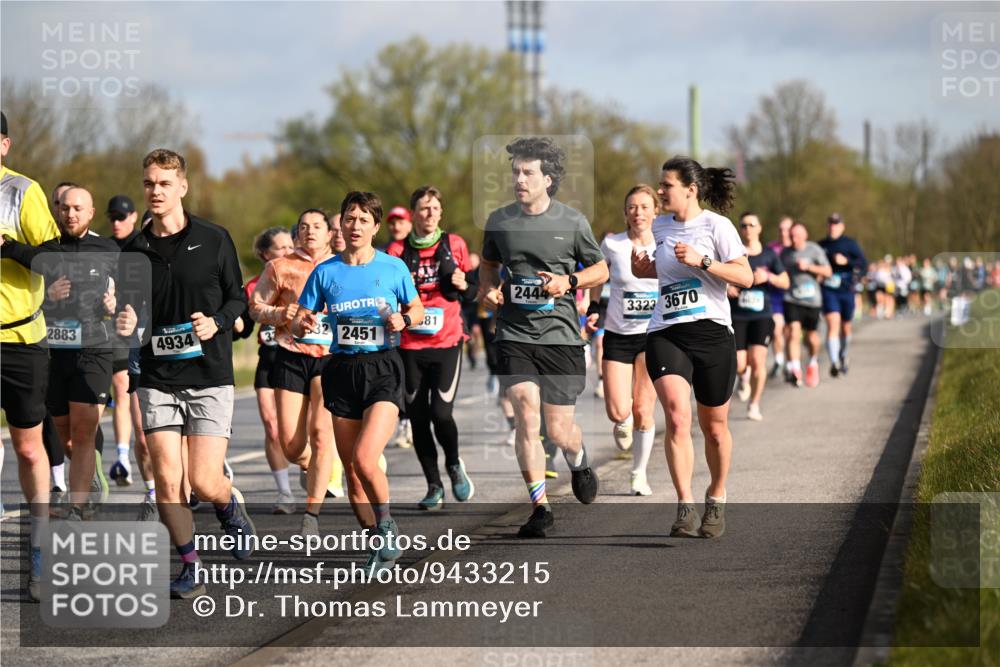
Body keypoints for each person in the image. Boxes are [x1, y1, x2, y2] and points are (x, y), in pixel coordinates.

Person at [115, 148, 255, 599]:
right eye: (149, 184)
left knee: (203, 481)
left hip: (209, 374)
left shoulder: (215, 239)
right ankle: (189, 564)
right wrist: (120, 321)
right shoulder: (133, 250)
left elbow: (238, 300)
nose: (155, 191)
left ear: (182, 187)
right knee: (167, 482)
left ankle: (228, 503)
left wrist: (216, 321)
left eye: (163, 183)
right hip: (157, 377)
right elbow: (128, 314)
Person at [478, 136, 608, 539]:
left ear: (547, 179)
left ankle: (579, 457)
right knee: (525, 415)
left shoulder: (572, 222)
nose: (519, 178)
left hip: (562, 338)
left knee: (558, 431)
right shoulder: (499, 221)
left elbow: (600, 270)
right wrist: (488, 291)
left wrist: (568, 281)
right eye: (515, 171)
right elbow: (487, 265)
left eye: (528, 172)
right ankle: (540, 507)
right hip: (515, 334)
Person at [293, 190, 423, 573]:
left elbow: (414, 307)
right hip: (342, 371)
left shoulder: (392, 268)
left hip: (382, 369)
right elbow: (304, 315)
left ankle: (387, 527)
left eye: (363, 220)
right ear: (341, 224)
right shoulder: (326, 271)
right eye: (349, 219)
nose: (355, 226)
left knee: (367, 459)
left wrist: (405, 320)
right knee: (350, 469)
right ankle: (375, 542)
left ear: (375, 226)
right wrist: (303, 322)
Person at [631, 156, 752, 538]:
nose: (661, 191)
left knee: (714, 428)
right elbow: (660, 269)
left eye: (666, 185)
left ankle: (716, 497)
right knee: (677, 417)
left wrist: (705, 261)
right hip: (666, 331)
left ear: (691, 189)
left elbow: (744, 276)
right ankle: (684, 506)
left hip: (713, 332)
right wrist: (641, 268)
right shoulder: (660, 225)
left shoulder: (717, 226)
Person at [0, 110, 61, 600]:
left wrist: (7, 249)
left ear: (5, 144)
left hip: (20, 338)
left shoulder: (23, 191)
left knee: (27, 447)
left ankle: (40, 548)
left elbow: (54, 258)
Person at [250, 209, 340, 535]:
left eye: (318, 226)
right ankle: (315, 464)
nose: (310, 231)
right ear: (297, 233)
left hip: (331, 357)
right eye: (304, 227)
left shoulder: (344, 265)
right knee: (289, 444)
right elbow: (255, 307)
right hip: (290, 355)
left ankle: (311, 515)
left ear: (330, 233)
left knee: (321, 432)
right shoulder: (280, 266)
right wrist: (280, 313)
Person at [32, 186, 120, 520]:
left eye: (78, 209)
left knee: (84, 431)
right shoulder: (44, 253)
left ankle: (76, 507)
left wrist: (116, 304)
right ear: (58, 211)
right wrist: (47, 295)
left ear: (91, 212)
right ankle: (89, 473)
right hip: (54, 352)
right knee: (64, 434)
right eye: (66, 208)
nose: (71, 214)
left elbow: (130, 292)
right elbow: (25, 302)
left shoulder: (108, 249)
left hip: (94, 349)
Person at [387, 186, 475, 510]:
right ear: (413, 214)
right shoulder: (396, 251)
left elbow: (472, 290)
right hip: (410, 344)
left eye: (435, 208)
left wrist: (465, 285)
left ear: (441, 212)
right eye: (424, 208)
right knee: (418, 418)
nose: (430, 214)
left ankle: (453, 463)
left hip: (447, 340)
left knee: (441, 413)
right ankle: (433, 485)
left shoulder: (455, 245)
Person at [586, 185, 659, 495]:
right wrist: (592, 307)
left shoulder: (667, 243)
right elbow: (597, 276)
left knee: (644, 409)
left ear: (656, 211)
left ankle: (638, 473)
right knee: (618, 412)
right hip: (617, 334)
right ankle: (622, 421)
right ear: (625, 212)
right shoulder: (612, 244)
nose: (638, 212)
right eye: (632, 207)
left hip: (654, 336)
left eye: (644, 206)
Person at [245, 227, 295, 513]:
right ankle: (284, 492)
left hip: (299, 359)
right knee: (272, 427)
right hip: (269, 357)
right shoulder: (253, 286)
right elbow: (242, 318)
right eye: (282, 248)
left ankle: (310, 465)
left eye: (292, 246)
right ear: (266, 254)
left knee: (298, 431)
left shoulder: (305, 276)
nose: (289, 252)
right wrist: (238, 326)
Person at [728, 213, 789, 421]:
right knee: (739, 363)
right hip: (737, 314)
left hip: (762, 315)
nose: (747, 229)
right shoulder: (733, 253)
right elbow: (718, 275)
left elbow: (785, 281)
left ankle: (754, 404)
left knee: (758, 361)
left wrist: (768, 277)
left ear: (759, 228)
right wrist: (727, 287)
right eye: (743, 225)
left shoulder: (770, 255)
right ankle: (743, 379)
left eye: (752, 225)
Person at [106, 194, 140, 484]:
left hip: (144, 328)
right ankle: (122, 457)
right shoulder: (102, 247)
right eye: (112, 218)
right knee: (121, 388)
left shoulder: (144, 245)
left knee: (141, 400)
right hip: (114, 327)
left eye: (122, 217)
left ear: (134, 217)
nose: (116, 223)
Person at [780, 223, 832, 387]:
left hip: (812, 300)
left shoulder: (814, 250)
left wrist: (809, 267)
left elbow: (828, 271)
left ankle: (812, 363)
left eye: (797, 235)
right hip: (792, 298)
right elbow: (780, 272)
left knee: (812, 338)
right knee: (794, 332)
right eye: (792, 235)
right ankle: (795, 370)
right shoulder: (785, 253)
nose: (794, 239)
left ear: (805, 235)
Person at [818, 213, 867, 377]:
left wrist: (847, 262)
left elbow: (864, 264)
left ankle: (844, 354)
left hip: (846, 289)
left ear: (842, 226)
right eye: (831, 223)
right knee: (833, 323)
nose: (833, 226)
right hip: (828, 289)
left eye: (836, 224)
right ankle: (834, 362)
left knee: (845, 327)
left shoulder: (850, 244)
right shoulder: (821, 245)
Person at [384, 206, 413, 450]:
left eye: (400, 221)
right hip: (394, 324)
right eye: (392, 222)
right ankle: (404, 422)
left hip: (421, 320)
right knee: (400, 376)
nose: (396, 226)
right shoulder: (389, 252)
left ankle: (413, 419)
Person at [767, 216, 793, 378]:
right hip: (775, 295)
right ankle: (779, 360)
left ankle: (791, 364)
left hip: (793, 297)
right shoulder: (770, 248)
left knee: (790, 332)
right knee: (776, 330)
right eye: (780, 229)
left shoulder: (799, 248)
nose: (783, 233)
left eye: (787, 229)